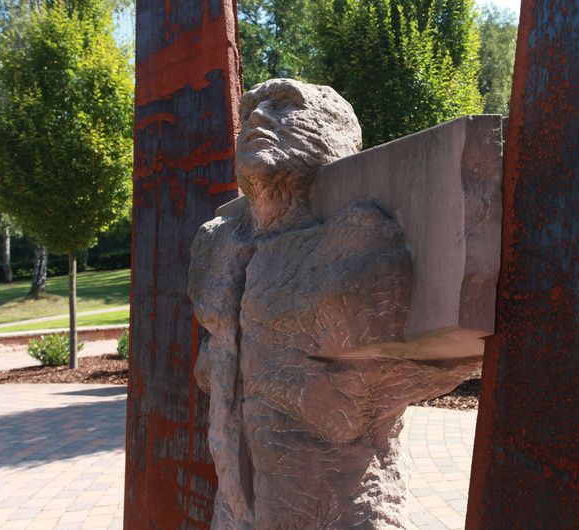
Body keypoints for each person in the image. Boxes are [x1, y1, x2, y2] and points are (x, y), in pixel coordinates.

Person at [189, 79, 476, 529]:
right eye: (251, 110)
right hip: (237, 508)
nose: (258, 117)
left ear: (334, 136)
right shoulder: (222, 243)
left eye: (284, 106)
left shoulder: (352, 238)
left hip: (339, 508)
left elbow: (421, 364)